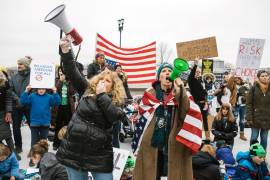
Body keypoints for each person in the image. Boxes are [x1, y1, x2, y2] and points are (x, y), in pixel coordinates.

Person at [56, 36, 127, 180]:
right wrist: (66, 51)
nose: (102, 82)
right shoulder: (87, 90)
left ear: (114, 87)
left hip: (99, 155)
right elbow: (72, 71)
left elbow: (114, 116)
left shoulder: (116, 101)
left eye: (107, 81)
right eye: (101, 78)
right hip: (74, 149)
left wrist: (102, 96)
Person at [133, 62, 193, 180]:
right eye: (164, 71)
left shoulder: (181, 93)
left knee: (172, 173)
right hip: (152, 142)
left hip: (174, 142)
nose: (167, 73)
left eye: (170, 71)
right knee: (152, 172)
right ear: (159, 77)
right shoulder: (150, 94)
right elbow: (142, 115)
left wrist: (180, 90)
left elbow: (186, 112)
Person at [10, 56, 32, 154]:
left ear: (26, 65)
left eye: (21, 64)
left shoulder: (33, 76)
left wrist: (26, 99)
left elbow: (35, 89)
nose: (18, 66)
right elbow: (10, 90)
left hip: (29, 105)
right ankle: (18, 146)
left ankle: (35, 147)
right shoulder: (14, 77)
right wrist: (17, 99)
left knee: (33, 126)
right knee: (15, 127)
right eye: (18, 64)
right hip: (16, 105)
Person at [246, 70, 270, 150]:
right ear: (259, 78)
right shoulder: (253, 88)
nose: (264, 77)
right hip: (255, 118)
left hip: (267, 118)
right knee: (254, 138)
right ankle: (253, 156)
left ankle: (262, 157)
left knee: (264, 139)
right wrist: (249, 118)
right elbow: (249, 104)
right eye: (262, 76)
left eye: (266, 75)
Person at [0, 70, 21, 161]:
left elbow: (8, 99)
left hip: (2, 113)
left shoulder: (5, 84)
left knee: (7, 134)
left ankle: (13, 154)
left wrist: (8, 112)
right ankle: (3, 153)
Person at [53, 67, 75, 150]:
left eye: (62, 72)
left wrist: (67, 82)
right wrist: (60, 81)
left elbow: (72, 92)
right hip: (59, 106)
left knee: (68, 125)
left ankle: (68, 143)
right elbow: (55, 90)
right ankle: (56, 143)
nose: (61, 73)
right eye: (59, 71)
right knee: (58, 125)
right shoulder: (56, 81)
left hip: (68, 106)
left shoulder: (70, 81)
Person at [188, 61, 209, 140]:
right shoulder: (191, 81)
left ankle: (207, 137)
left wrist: (206, 102)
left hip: (204, 104)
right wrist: (195, 64)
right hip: (196, 104)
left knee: (205, 120)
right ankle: (196, 137)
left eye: (199, 72)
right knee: (197, 121)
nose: (197, 73)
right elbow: (191, 75)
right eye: (196, 72)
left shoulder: (201, 82)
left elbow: (205, 93)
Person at [234, 76, 249, 141]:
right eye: (236, 80)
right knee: (234, 119)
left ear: (241, 80)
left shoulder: (245, 86)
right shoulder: (233, 87)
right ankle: (232, 133)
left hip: (243, 105)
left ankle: (242, 135)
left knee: (242, 120)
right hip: (236, 105)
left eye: (239, 79)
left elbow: (248, 94)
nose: (237, 81)